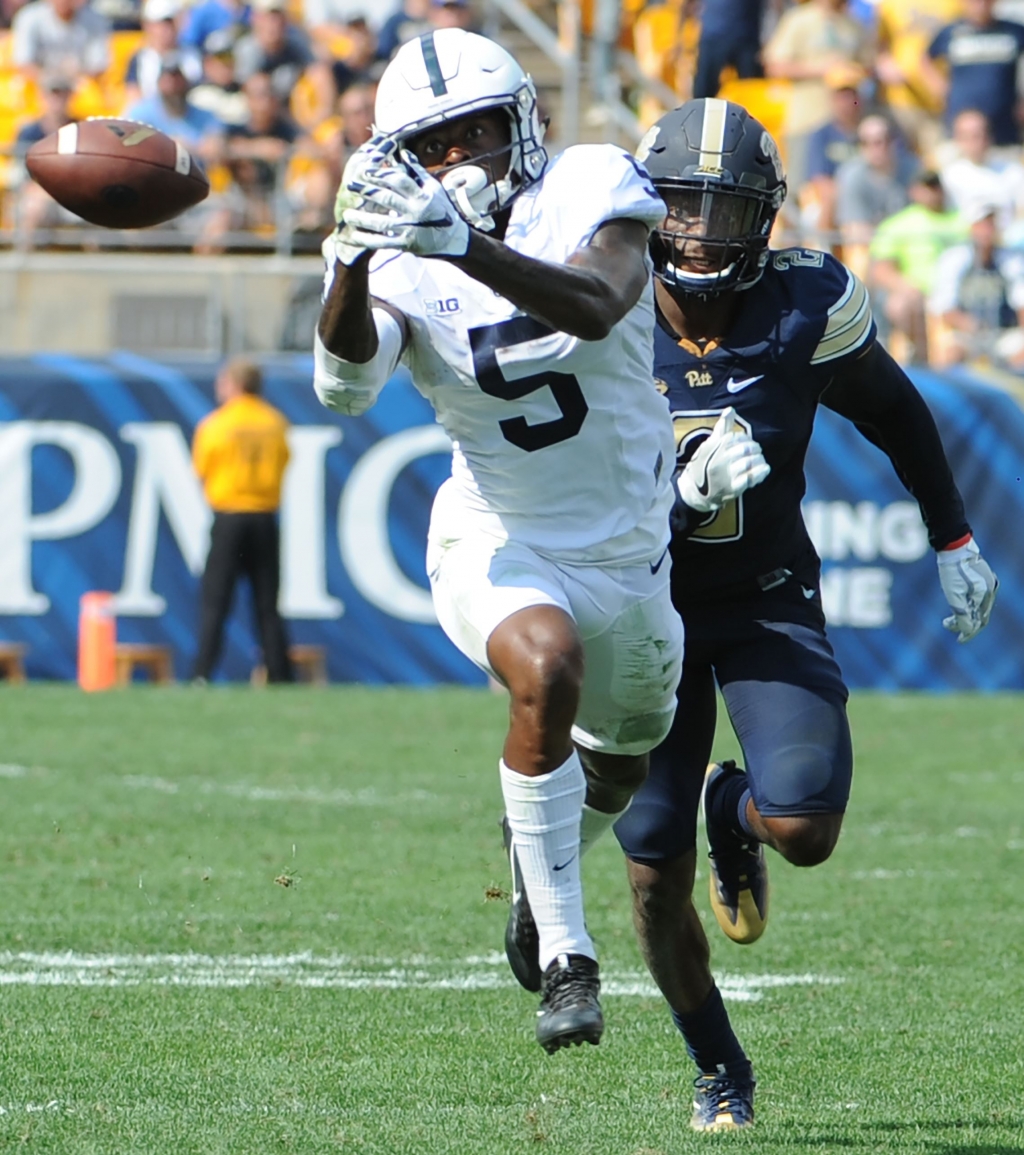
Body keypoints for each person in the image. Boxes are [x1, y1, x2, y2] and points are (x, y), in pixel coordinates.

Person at [595, 98, 997, 1133]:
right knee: (649, 875)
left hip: (765, 597)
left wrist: (951, 535)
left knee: (806, 828)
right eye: (680, 206)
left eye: (723, 211)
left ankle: (735, 808)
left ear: (763, 218)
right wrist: (670, 501)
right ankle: (719, 1065)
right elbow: (564, 498)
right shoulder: (602, 310)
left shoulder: (802, 302)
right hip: (644, 616)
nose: (698, 232)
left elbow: (897, 411)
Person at [314, 27, 685, 1054]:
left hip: (628, 553)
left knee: (618, 768)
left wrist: (462, 245)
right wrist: (349, 258)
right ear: (401, 158)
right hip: (498, 534)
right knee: (544, 662)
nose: (461, 160)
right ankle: (569, 960)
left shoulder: (589, 178)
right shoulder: (399, 245)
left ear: (521, 118)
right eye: (434, 146)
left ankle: (537, 865)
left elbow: (601, 303)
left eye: (477, 131)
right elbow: (342, 387)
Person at [192, 358, 293, 684]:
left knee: (215, 602)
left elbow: (202, 470)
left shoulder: (216, 424)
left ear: (234, 384)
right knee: (267, 604)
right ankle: (279, 675)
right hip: (264, 517)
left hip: (229, 518)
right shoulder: (275, 422)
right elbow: (283, 462)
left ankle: (203, 674)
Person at [869, 170, 965, 363]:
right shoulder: (897, 224)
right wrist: (908, 288)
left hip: (958, 295)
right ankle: (920, 360)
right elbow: (881, 269)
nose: (932, 192)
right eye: (927, 187)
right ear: (914, 191)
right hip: (920, 296)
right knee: (900, 304)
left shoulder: (961, 221)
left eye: (935, 187)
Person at [929, 201, 1024, 367]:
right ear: (971, 228)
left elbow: (1020, 300)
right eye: (982, 225)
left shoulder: (1011, 260)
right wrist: (972, 325)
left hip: (1004, 333)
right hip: (967, 333)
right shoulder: (954, 259)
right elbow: (945, 308)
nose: (986, 230)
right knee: (951, 354)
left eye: (990, 224)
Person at [922, 0, 1024, 148]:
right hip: (961, 124)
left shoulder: (1014, 31)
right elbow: (925, 59)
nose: (981, 4)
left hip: (1004, 124)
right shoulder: (952, 32)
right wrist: (942, 89)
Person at [835, 113, 918, 248]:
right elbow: (855, 231)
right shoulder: (851, 176)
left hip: (909, 246)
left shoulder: (913, 170)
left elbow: (924, 219)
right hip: (871, 249)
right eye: (866, 142)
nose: (876, 148)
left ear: (892, 141)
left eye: (881, 141)